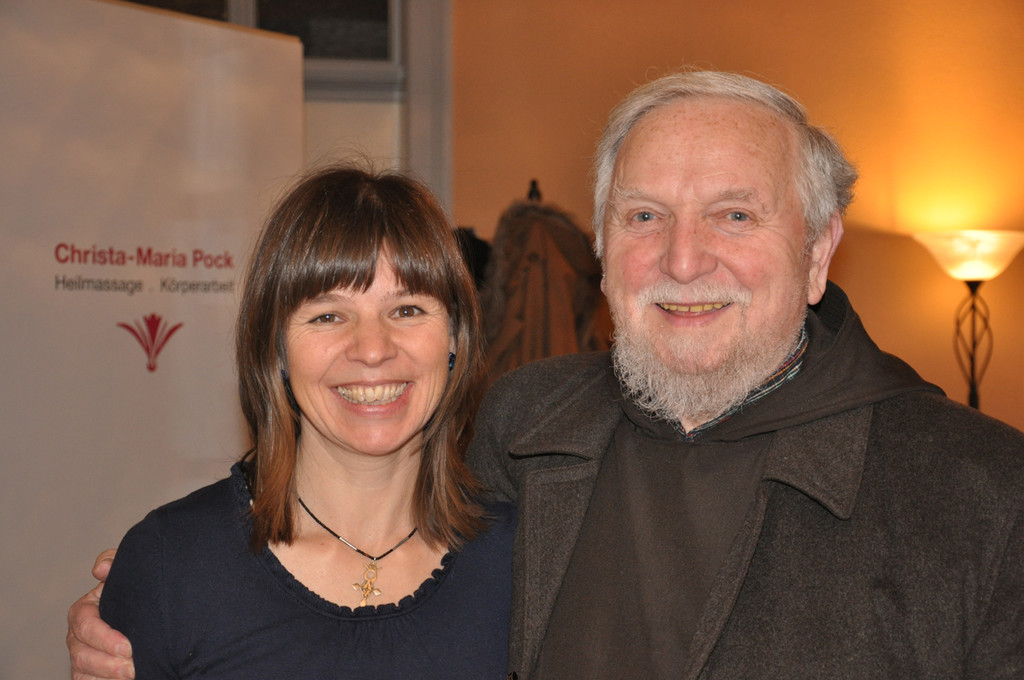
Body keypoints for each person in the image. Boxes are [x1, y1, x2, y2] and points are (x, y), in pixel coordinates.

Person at [69, 71, 1024, 679]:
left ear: (818, 253)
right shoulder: (530, 427)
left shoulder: (979, 493)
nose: (683, 259)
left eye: (735, 215)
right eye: (645, 217)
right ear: (603, 251)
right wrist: (156, 606)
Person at [70, 165, 513, 680]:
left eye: (408, 310)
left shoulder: (524, 561)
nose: (373, 349)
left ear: (455, 338)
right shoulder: (173, 565)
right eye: (328, 315)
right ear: (276, 349)